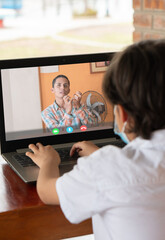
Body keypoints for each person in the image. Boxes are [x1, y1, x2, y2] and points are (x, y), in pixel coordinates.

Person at [26, 39, 165, 240]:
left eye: (66, 85)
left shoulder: (107, 166)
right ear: (53, 89)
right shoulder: (46, 112)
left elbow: (47, 192)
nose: (63, 88)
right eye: (59, 85)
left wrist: (49, 161)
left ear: (123, 115)